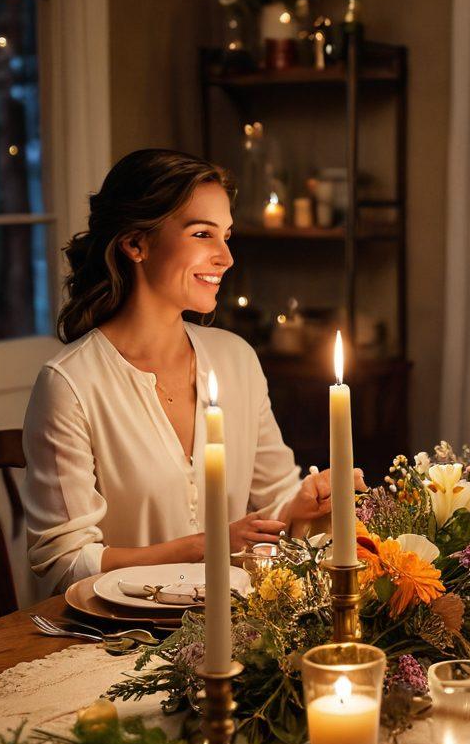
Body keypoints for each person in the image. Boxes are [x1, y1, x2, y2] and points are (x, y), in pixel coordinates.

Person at [23, 148, 358, 594]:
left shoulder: (236, 359)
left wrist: (302, 503)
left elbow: (272, 499)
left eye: (227, 236)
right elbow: (64, 564)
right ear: (136, 244)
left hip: (232, 620)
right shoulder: (71, 384)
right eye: (203, 234)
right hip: (120, 639)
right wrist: (205, 546)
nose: (226, 257)